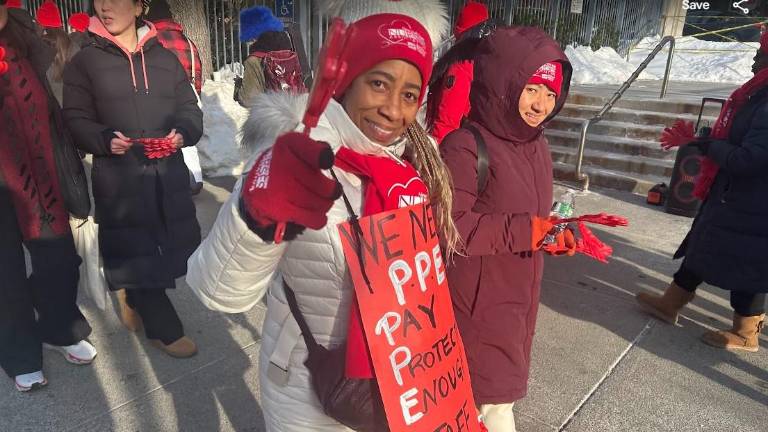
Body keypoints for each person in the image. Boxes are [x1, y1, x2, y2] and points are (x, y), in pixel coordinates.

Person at [186, 7, 454, 431]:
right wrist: (255, 219)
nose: (392, 109)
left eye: (408, 94)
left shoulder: (416, 165)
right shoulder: (296, 157)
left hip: (400, 382)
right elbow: (218, 291)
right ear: (347, 79)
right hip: (310, 390)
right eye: (379, 83)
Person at [440, 27, 573, 431]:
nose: (542, 104)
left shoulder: (536, 144)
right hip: (476, 305)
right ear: (503, 83)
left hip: (518, 299)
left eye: (551, 94)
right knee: (492, 407)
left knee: (490, 404)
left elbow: (527, 217)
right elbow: (453, 227)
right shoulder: (464, 145)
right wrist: (528, 231)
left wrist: (554, 233)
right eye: (533, 88)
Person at [62, 0, 203, 358]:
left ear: (139, 6)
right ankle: (164, 328)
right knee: (137, 249)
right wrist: (103, 138)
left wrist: (184, 131)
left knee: (167, 248)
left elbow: (189, 107)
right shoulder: (85, 62)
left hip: (166, 173)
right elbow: (75, 120)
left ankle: (131, 291)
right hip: (120, 177)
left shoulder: (164, 58)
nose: (106, 6)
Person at [635, 32, 768, 352]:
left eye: (761, 53)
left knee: (749, 267)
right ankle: (670, 303)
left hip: (755, 204)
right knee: (702, 247)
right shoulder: (757, 94)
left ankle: (747, 332)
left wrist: (713, 147)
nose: (753, 59)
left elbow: (751, 158)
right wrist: (708, 139)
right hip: (732, 197)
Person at [0, 3, 96, 392]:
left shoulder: (32, 37)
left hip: (43, 172)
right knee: (5, 275)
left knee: (59, 260)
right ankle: (20, 349)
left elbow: (59, 99)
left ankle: (58, 327)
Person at [144, 0, 204, 195]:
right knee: (187, 139)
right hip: (188, 92)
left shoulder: (151, 42)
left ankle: (177, 183)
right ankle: (195, 180)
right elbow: (198, 69)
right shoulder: (187, 41)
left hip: (163, 96)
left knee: (167, 142)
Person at [426, 0, 490, 144]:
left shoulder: (462, 65)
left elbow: (447, 120)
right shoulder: (484, 64)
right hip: (472, 145)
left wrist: (438, 156)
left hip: (453, 148)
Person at [234, 6, 294, 108]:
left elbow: (247, 100)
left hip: (271, 115)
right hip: (295, 107)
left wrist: (238, 87)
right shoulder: (289, 50)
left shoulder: (254, 60)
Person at [36, 0, 78, 105]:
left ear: (40, 25)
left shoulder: (37, 48)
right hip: (76, 105)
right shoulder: (74, 45)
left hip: (53, 109)